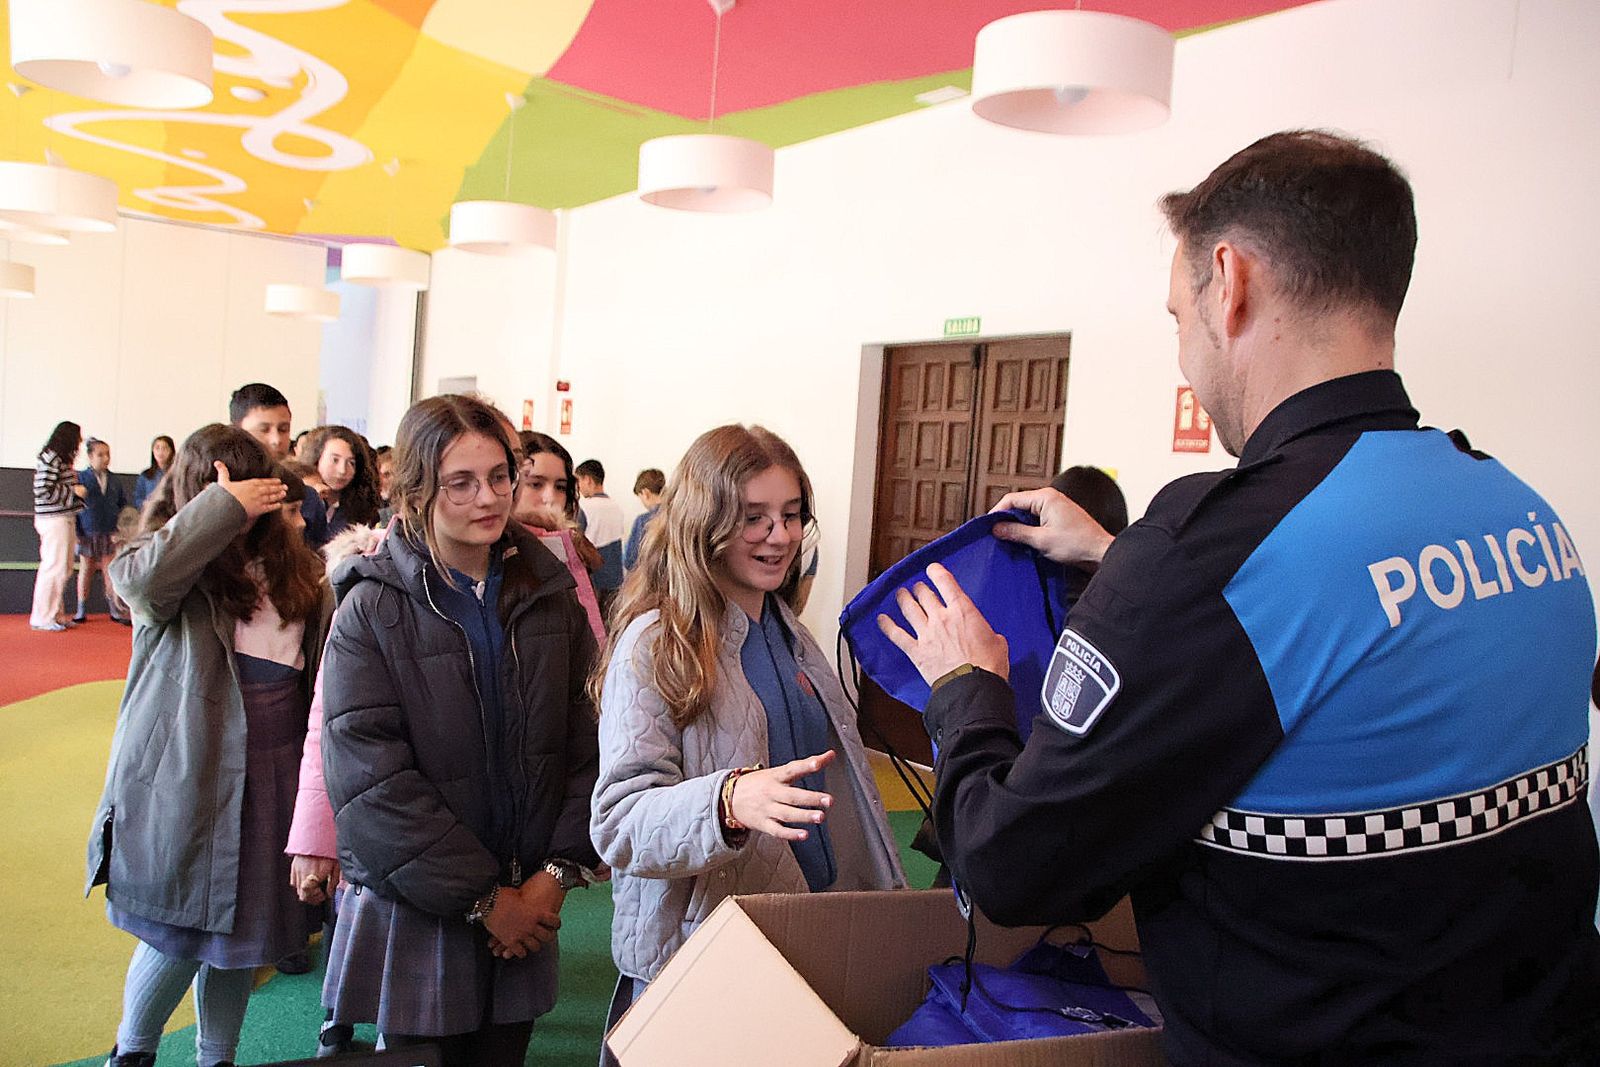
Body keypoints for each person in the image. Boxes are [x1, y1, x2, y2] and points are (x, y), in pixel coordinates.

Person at [875, 131, 1599, 1064]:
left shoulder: (1203, 551)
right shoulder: (1521, 511)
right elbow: (1342, 651)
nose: (1184, 351)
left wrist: (967, 686)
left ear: (1232, 279)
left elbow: (1015, 867)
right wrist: (1117, 555)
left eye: (1179, 315)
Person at [590, 425, 906, 1052]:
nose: (781, 536)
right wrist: (728, 802)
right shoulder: (656, 643)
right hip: (700, 950)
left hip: (802, 928)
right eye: (754, 518)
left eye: (791, 516)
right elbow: (619, 822)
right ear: (703, 522)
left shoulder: (789, 631)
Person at [319, 394, 601, 1067]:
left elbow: (590, 742)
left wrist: (554, 874)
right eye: (461, 482)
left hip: (532, 898)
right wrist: (484, 898)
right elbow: (370, 782)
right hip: (423, 906)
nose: (489, 496)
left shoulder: (548, 591)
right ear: (416, 489)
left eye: (500, 475)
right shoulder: (371, 607)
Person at [88, 425, 331, 1067]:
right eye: (225, 488)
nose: (250, 505)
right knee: (175, 933)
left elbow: (321, 683)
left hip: (274, 771)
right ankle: (132, 1053)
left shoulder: (299, 571)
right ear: (198, 494)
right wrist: (220, 510)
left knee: (243, 939)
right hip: (188, 774)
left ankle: (215, 1058)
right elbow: (135, 584)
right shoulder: (174, 568)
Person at [230, 383, 329, 548]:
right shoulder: (222, 495)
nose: (276, 440)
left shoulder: (308, 498)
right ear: (237, 430)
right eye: (264, 430)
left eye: (283, 429)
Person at [30, 420, 86, 631]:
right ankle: (42, 617)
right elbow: (42, 490)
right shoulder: (51, 457)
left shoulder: (59, 459)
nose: (80, 441)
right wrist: (74, 492)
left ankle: (55, 613)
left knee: (63, 568)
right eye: (77, 437)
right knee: (54, 566)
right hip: (53, 519)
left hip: (63, 517)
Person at [74, 437, 129, 624]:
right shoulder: (81, 478)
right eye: (100, 455)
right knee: (86, 569)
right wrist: (78, 533)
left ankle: (114, 608)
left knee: (109, 570)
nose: (105, 458)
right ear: (90, 457)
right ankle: (81, 608)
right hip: (87, 530)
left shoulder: (114, 480)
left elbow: (122, 505)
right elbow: (75, 508)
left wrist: (120, 530)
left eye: (108, 455)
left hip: (110, 531)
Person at [302, 426, 381, 539]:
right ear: (317, 458)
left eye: (351, 463)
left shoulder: (362, 507)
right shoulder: (300, 497)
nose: (342, 470)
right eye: (335, 460)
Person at [575, 459, 625, 614]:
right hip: (616, 577)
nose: (578, 487)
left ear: (587, 479)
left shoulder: (584, 507)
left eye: (578, 481)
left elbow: (576, 542)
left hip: (594, 579)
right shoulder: (616, 507)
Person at [622, 468, 664, 572]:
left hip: (649, 580)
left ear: (646, 493)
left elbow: (630, 560)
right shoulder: (677, 516)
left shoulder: (643, 521)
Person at [132, 435, 174, 511]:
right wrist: (145, 504)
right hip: (149, 515)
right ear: (153, 451)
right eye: (157, 448)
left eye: (164, 448)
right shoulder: (145, 475)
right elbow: (137, 499)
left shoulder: (176, 475)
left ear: (171, 451)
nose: (160, 452)